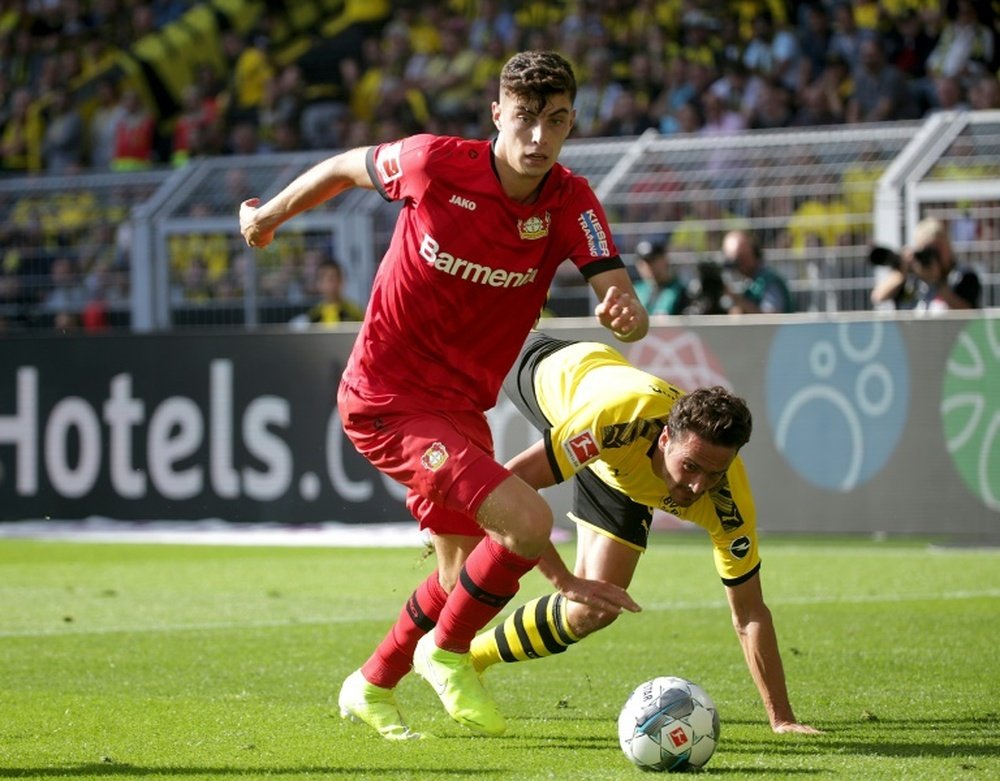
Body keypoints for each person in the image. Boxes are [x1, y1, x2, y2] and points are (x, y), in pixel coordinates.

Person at [239, 50, 649, 740]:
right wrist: (267, 217)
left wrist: (626, 309)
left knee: (463, 573)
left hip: (461, 408)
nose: (537, 137)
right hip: (387, 396)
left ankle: (371, 682)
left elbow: (614, 283)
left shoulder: (569, 199)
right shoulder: (432, 164)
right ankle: (448, 652)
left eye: (555, 121)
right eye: (524, 117)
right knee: (524, 522)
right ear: (497, 115)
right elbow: (345, 166)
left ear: (571, 122)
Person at [470, 332, 821, 735]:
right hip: (551, 375)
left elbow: (750, 614)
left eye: (714, 473)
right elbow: (507, 486)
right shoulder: (615, 423)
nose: (698, 487)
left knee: (596, 609)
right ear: (665, 438)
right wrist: (562, 580)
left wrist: (782, 718)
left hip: (618, 470)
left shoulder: (729, 505)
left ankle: (471, 658)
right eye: (691, 467)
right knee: (476, 525)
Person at [870, 217, 981, 312]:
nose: (932, 257)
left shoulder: (962, 275)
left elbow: (967, 312)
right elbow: (878, 297)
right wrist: (902, 271)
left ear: (947, 247)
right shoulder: (912, 276)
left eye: (936, 249)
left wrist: (937, 282)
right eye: (925, 251)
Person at [720, 229, 794, 314]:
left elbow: (771, 320)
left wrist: (737, 300)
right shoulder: (750, 283)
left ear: (751, 254)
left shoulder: (769, 282)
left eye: (740, 258)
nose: (737, 266)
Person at [294, 257, 365, 326]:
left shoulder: (355, 313)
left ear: (342, 281)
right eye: (329, 279)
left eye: (336, 278)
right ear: (319, 284)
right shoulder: (313, 317)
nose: (333, 284)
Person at [632, 239, 689, 316]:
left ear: (665, 259)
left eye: (654, 260)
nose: (649, 266)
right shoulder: (635, 290)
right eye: (644, 262)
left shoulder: (680, 291)